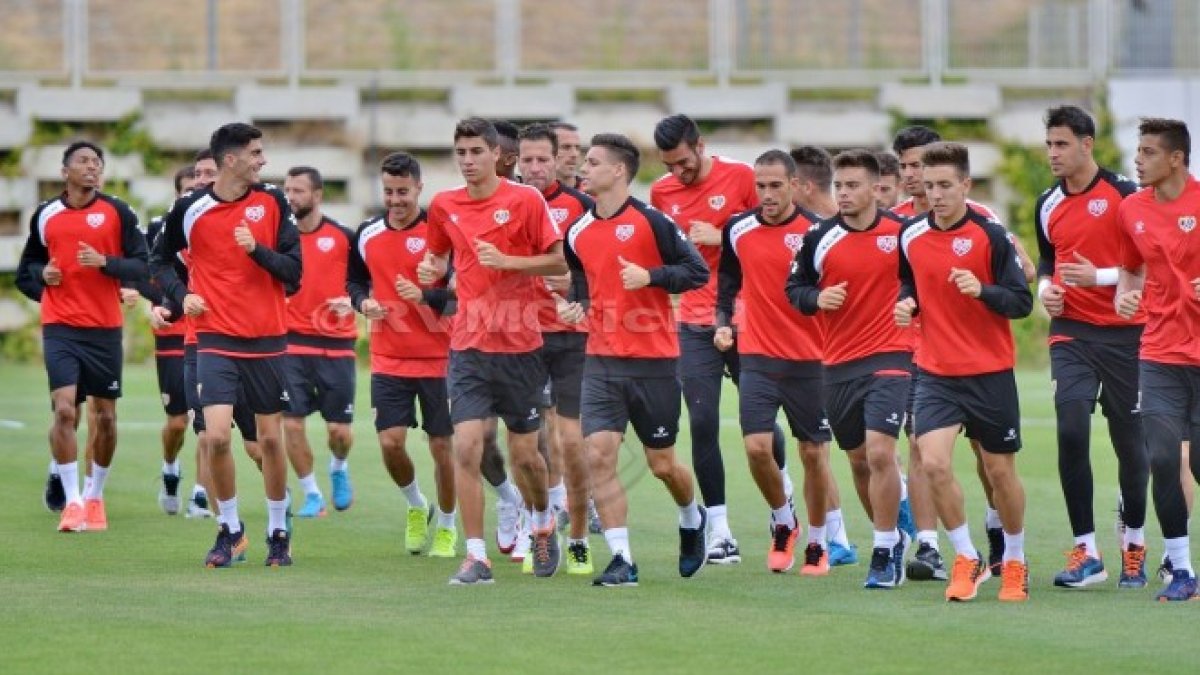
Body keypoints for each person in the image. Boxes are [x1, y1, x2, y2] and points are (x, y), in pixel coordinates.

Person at [419, 117, 567, 585]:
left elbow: (559, 261)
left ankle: (542, 521)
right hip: (468, 346)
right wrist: (432, 269)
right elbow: (439, 257)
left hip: (521, 346)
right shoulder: (443, 204)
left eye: (475, 152)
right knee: (466, 446)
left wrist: (510, 263)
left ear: (496, 154)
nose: (467, 161)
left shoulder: (525, 200)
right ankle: (477, 557)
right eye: (460, 153)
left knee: (526, 456)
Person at [558, 132, 710, 586]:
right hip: (602, 362)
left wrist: (652, 277)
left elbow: (697, 272)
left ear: (619, 171)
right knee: (598, 454)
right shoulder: (578, 231)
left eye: (593, 162)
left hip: (655, 362)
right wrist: (576, 303)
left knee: (663, 465)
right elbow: (584, 280)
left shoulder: (653, 222)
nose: (584, 169)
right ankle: (622, 559)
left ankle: (691, 516)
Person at [151, 122, 301, 567]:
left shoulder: (272, 202)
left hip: (268, 340)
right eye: (256, 153)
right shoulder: (190, 208)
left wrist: (256, 249)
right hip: (215, 338)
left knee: (271, 442)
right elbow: (157, 260)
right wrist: (181, 297)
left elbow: (294, 271)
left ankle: (278, 531)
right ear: (230, 160)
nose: (263, 160)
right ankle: (230, 530)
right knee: (215, 437)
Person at [895, 142, 1032, 602]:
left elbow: (1021, 301)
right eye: (929, 185)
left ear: (966, 186)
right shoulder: (910, 235)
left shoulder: (991, 236)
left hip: (989, 371)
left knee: (999, 473)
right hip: (935, 370)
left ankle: (1014, 560)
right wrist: (906, 304)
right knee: (931, 462)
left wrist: (983, 291)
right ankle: (966, 555)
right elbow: (908, 281)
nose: (935, 194)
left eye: (945, 185)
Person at [651, 113, 786, 564]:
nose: (677, 173)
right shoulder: (661, 193)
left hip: (748, 314)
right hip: (692, 319)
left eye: (684, 162)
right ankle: (720, 530)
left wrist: (723, 234)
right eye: (669, 165)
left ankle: (781, 500)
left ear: (701, 145)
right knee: (703, 421)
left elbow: (770, 234)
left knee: (760, 425)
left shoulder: (744, 178)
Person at [1033, 105, 1149, 590]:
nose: (1053, 153)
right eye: (1049, 144)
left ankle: (1134, 545)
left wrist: (1100, 277)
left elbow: (1149, 263)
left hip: (1127, 335)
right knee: (1072, 429)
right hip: (1072, 333)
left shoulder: (1125, 195)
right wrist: (1045, 292)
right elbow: (1045, 261)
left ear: (1087, 144)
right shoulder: (1047, 203)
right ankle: (1087, 551)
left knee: (1130, 444)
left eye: (1061, 144)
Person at [789, 149, 914, 587]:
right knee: (859, 461)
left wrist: (912, 303)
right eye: (839, 186)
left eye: (853, 185)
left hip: (893, 356)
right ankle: (894, 536)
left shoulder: (904, 234)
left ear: (877, 188)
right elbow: (795, 289)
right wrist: (816, 299)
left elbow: (923, 278)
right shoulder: (818, 237)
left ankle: (882, 551)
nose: (843, 193)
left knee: (881, 451)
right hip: (837, 363)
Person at [715, 149, 836, 576]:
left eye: (774, 186)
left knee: (813, 455)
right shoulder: (738, 228)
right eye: (760, 186)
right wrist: (723, 322)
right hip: (759, 357)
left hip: (812, 361)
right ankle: (784, 520)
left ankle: (819, 543)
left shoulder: (819, 232)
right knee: (756, 448)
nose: (766, 194)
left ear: (794, 186)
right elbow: (727, 282)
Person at [16, 140, 147, 532]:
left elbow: (142, 265)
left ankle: (94, 495)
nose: (92, 167)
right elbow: (27, 270)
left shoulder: (117, 212)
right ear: (65, 172)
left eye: (97, 162)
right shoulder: (45, 215)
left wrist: (106, 263)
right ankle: (72, 502)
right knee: (64, 409)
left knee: (105, 418)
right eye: (84, 162)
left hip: (104, 328)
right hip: (60, 326)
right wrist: (44, 276)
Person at [347, 152, 458, 557]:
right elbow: (354, 281)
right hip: (388, 358)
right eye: (389, 192)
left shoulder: (441, 233)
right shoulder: (367, 233)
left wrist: (425, 296)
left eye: (403, 192)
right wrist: (363, 304)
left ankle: (447, 524)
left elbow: (462, 299)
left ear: (419, 188)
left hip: (440, 359)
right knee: (391, 444)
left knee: (443, 448)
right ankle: (417, 505)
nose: (395, 200)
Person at [1115, 117, 1200, 601]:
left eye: (1148, 152)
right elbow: (1131, 269)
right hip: (1160, 353)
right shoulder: (1132, 209)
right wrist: (1124, 298)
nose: (1138, 160)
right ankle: (1183, 571)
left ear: (1176, 158)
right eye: (1138, 150)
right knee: (1164, 459)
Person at [518, 122, 596, 574]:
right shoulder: (505, 206)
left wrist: (573, 287)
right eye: (526, 160)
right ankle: (539, 529)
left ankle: (581, 536)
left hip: (571, 338)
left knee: (569, 443)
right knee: (525, 446)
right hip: (520, 338)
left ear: (557, 160)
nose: (534, 167)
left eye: (542, 159)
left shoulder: (583, 210)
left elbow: (599, 274)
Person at [787, 143, 860, 566]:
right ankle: (840, 537)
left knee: (870, 453)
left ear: (803, 185)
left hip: (839, 356)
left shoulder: (835, 231)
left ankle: (901, 531)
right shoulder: (813, 232)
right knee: (815, 452)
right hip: (809, 354)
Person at [280, 166, 357, 518]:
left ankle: (338, 467)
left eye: (298, 190)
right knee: (291, 423)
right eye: (287, 190)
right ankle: (312, 494)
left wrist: (352, 300)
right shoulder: (280, 240)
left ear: (318, 195)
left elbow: (363, 283)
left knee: (339, 431)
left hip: (336, 344)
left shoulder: (344, 237)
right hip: (290, 343)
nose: (291, 197)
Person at [140, 165, 198, 515]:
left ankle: (202, 498)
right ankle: (170, 470)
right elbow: (148, 272)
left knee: (206, 423)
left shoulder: (216, 223)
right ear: (177, 194)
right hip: (172, 333)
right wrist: (158, 305)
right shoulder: (160, 228)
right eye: (187, 188)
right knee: (178, 422)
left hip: (208, 334)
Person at [550, 121, 584, 189]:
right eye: (566, 147)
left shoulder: (593, 193)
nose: (574, 154)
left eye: (577, 148)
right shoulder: (532, 193)